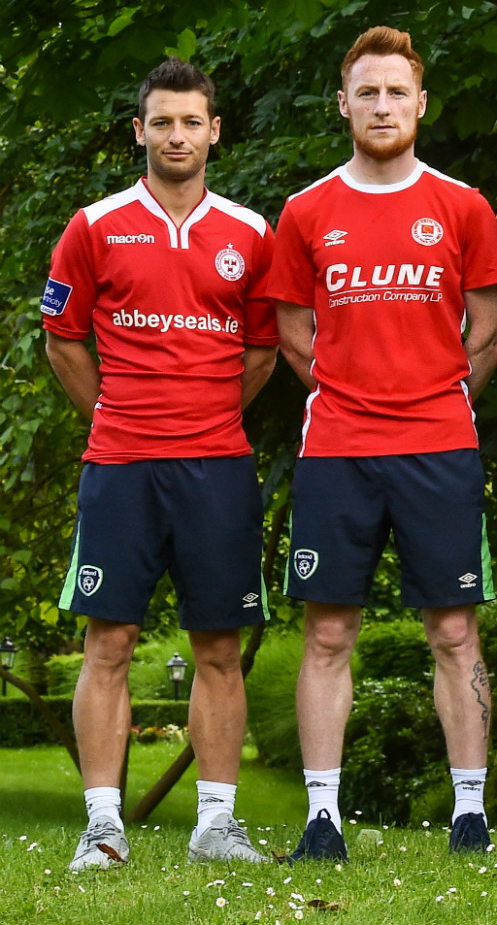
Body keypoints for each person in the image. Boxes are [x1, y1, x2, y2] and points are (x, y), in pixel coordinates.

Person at [264, 27, 497, 860]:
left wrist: (435, 398)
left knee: (454, 632)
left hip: (439, 448)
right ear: (343, 104)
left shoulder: (463, 206)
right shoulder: (306, 211)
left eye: (395, 92)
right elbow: (292, 333)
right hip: (337, 450)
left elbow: (491, 331)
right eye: (366, 92)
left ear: (420, 104)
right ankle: (322, 820)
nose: (381, 106)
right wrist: (353, 394)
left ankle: (470, 816)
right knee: (329, 633)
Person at [45, 58, 278, 870]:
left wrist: (204, 418)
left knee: (218, 646)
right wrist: (120, 415)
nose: (177, 136)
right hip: (121, 466)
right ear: (140, 130)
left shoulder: (250, 232)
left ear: (214, 131)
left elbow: (262, 351)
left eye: (191, 122)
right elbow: (62, 340)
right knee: (108, 642)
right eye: (163, 122)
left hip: (218, 467)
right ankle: (102, 829)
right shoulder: (94, 225)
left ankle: (216, 825)